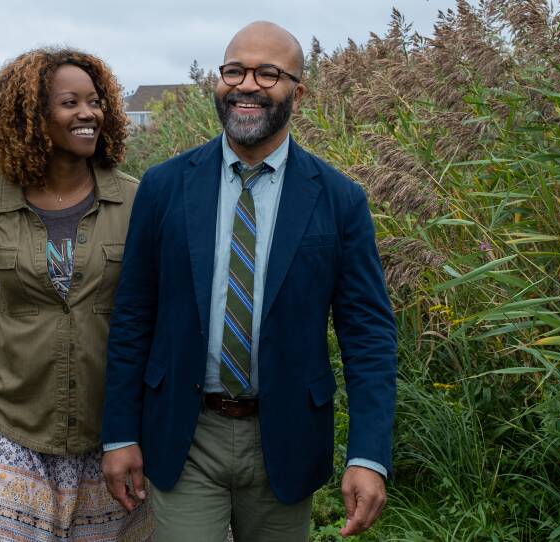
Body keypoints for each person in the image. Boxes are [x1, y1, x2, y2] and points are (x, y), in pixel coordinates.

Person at [100, 21, 398, 541]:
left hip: (285, 435)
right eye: (234, 70)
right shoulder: (165, 186)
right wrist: (119, 434)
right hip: (185, 433)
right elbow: (132, 316)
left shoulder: (338, 199)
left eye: (268, 73)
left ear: (297, 92)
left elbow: (368, 336)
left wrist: (369, 455)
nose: (247, 85)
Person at [0, 48, 153, 541]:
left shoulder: (138, 202)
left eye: (95, 101)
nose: (88, 113)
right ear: (32, 117)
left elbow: (152, 316)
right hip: (12, 423)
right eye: (70, 103)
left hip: (107, 431)